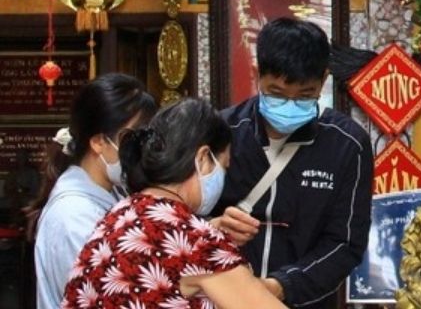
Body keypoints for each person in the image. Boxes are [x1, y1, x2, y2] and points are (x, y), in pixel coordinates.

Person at [61, 97, 287, 309]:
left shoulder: (117, 216)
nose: (224, 177)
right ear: (202, 158)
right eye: (224, 167)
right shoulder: (195, 241)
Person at [214, 17, 372, 308]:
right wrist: (213, 226)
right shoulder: (222, 132)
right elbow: (180, 218)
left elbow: (344, 243)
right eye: (276, 93)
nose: (289, 104)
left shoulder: (348, 144)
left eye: (304, 95)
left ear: (323, 81)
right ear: (257, 73)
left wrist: (280, 286)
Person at [27, 73, 157, 309]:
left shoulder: (113, 192)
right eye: (131, 138)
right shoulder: (73, 216)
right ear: (99, 142)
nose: (141, 149)